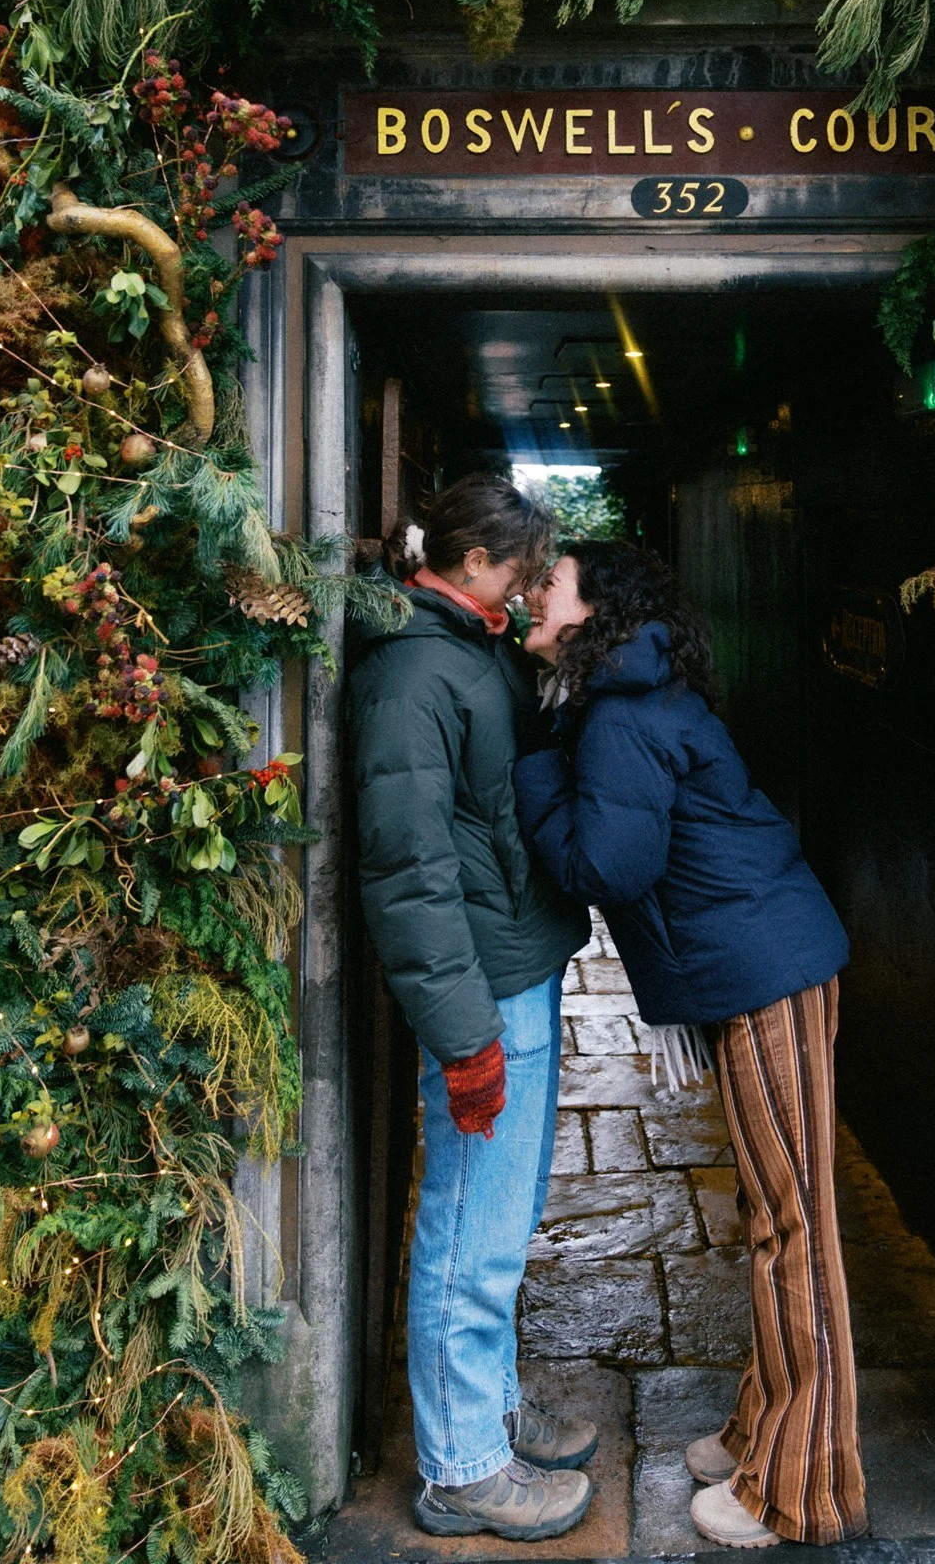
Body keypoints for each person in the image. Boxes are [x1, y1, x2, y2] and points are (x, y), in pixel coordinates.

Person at [514, 541, 867, 1552]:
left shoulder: (618, 717)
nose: (533, 592)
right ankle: (762, 1427)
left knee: (794, 1224)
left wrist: (532, 770)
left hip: (765, 970)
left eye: (552, 581)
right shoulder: (625, 696)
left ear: (595, 610)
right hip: (754, 966)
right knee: (772, 1212)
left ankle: (802, 1488)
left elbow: (608, 866)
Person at [349, 475, 596, 1540]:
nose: (534, 587)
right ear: (477, 561)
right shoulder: (412, 673)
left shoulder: (471, 646)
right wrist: (461, 1037)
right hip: (482, 986)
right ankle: (460, 1467)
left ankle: (487, 1411)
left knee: (502, 1216)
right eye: (525, 569)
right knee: (468, 1225)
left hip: (514, 962)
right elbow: (407, 872)